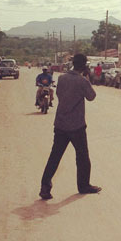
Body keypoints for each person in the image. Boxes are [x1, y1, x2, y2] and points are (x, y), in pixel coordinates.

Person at [39, 53, 101, 199]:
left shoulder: (62, 78)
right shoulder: (82, 81)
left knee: (55, 156)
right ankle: (83, 185)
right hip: (77, 125)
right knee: (82, 157)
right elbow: (91, 96)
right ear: (84, 65)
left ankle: (45, 187)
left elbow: (60, 94)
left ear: (73, 63)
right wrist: (86, 78)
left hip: (60, 123)